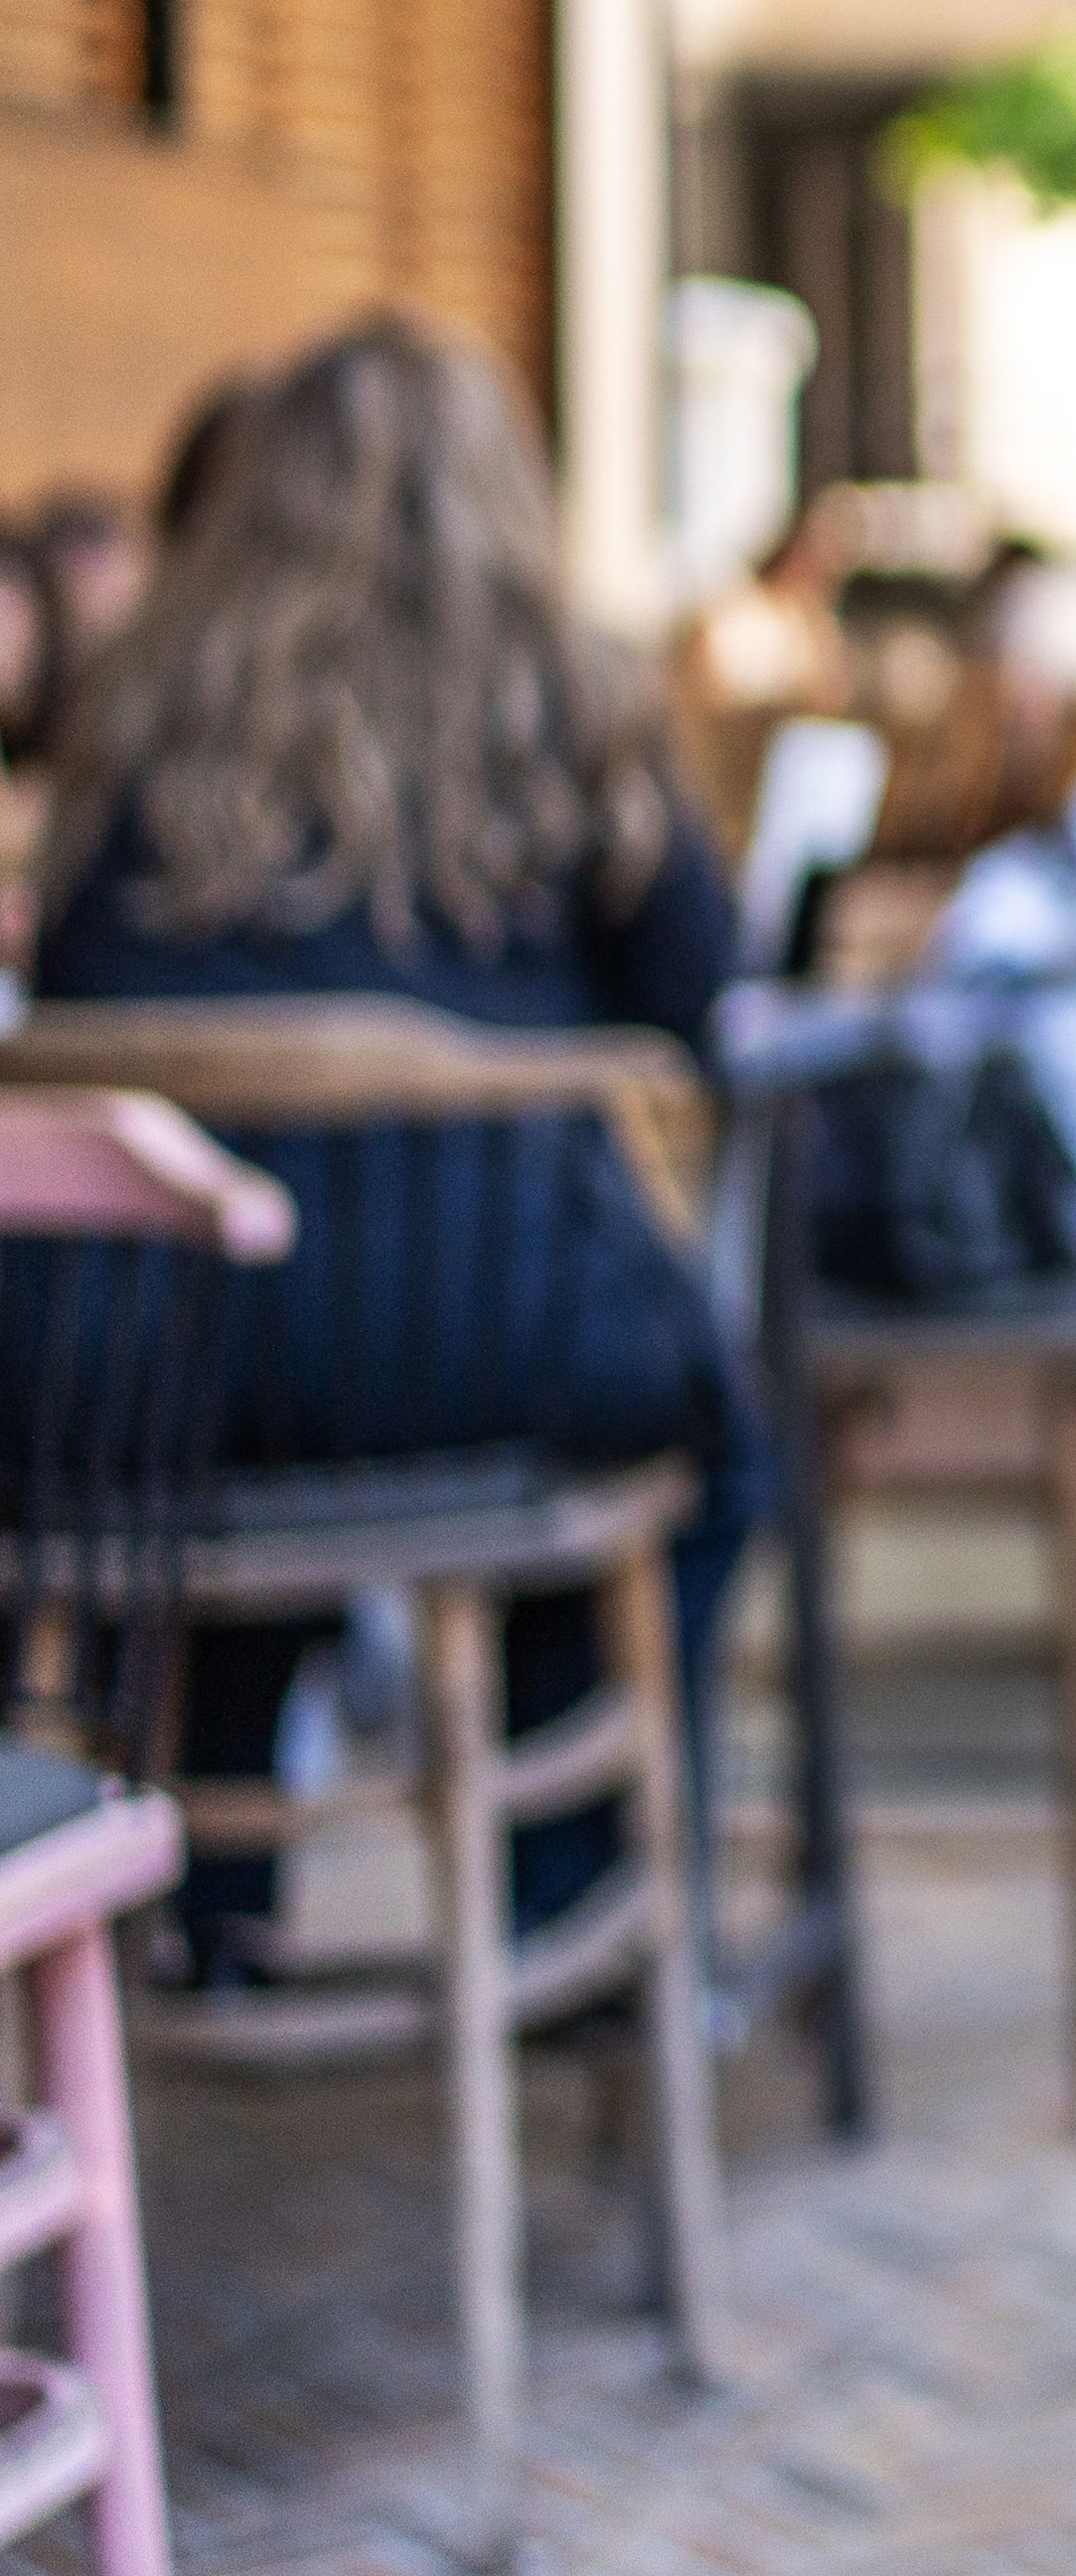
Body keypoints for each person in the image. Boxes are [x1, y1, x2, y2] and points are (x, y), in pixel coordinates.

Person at [27, 315, 764, 1961]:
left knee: (256, 1412)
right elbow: (702, 1013)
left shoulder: (143, 721)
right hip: (492, 1355)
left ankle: (209, 1911)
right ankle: (575, 1916)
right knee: (711, 1449)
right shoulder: (580, 710)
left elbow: (75, 984)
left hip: (141, 1390)